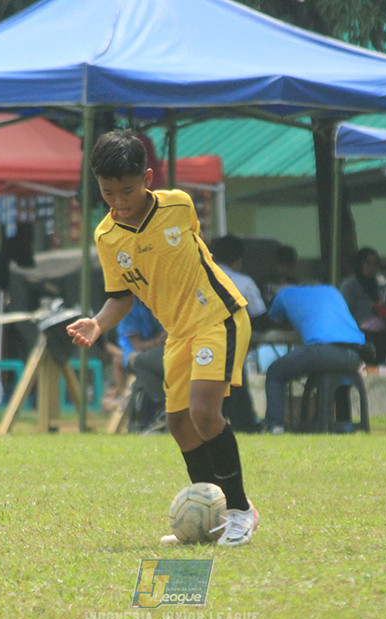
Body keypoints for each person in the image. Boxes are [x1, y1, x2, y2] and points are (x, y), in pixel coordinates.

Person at [67, 129, 258, 547]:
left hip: (218, 315)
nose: (119, 201)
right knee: (179, 423)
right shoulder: (107, 237)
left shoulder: (178, 205)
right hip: (179, 333)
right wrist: (98, 323)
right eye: (108, 192)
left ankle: (241, 511)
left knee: (205, 413)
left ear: (147, 178)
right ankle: (211, 516)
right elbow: (120, 297)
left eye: (127, 190)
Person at [262, 284, 367, 434]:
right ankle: (342, 424)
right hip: (355, 354)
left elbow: (273, 321)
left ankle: (275, 425)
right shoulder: (331, 290)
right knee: (330, 378)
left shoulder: (283, 295)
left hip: (322, 350)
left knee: (275, 373)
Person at [210, 234, 270, 433]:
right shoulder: (244, 282)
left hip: (202, 338)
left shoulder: (203, 275)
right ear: (239, 259)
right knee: (236, 380)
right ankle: (245, 423)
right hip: (231, 339)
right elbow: (260, 317)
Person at [117, 297, 168, 433]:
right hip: (135, 354)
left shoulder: (164, 301)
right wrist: (158, 341)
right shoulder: (131, 305)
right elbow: (136, 344)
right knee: (141, 363)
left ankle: (164, 413)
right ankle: (164, 408)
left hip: (162, 352)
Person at [340, 247, 386, 362]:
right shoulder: (350, 285)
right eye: (368, 263)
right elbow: (345, 312)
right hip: (360, 335)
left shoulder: (379, 284)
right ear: (360, 263)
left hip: (380, 337)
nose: (372, 267)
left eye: (375, 264)